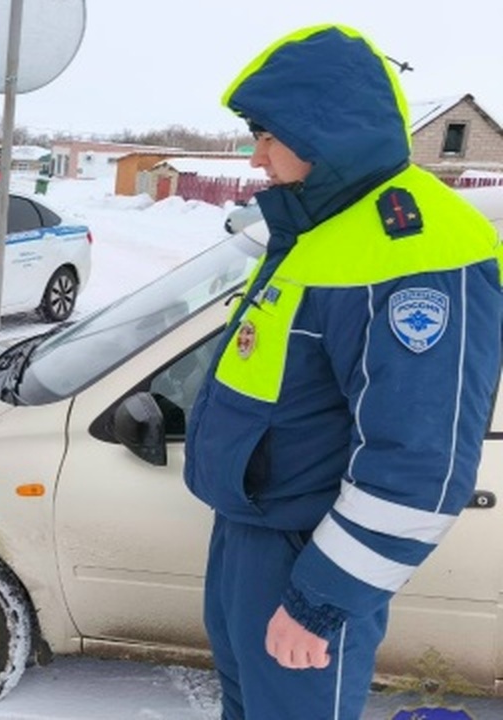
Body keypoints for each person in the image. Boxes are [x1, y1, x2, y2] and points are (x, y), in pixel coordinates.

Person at [184, 24, 503, 719]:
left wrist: (318, 601)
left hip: (310, 555)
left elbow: (421, 464)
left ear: (323, 130)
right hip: (251, 537)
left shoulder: (417, 251)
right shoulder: (322, 227)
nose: (256, 155)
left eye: (270, 135)